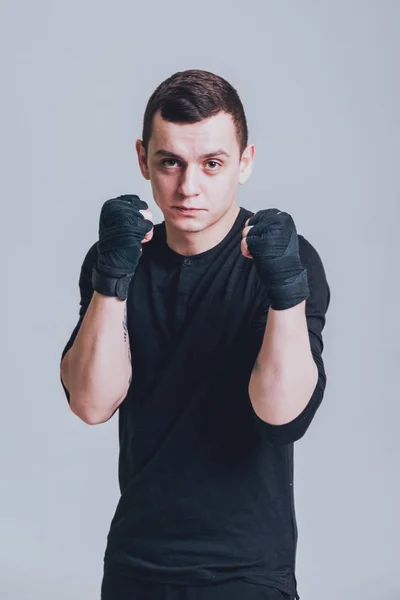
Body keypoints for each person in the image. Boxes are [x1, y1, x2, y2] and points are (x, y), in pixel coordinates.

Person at [60, 69, 330, 600]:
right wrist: (112, 280)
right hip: (136, 563)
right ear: (143, 159)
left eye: (212, 164)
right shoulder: (118, 255)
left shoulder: (285, 260)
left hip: (248, 571)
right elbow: (91, 404)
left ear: (245, 163)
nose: (188, 187)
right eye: (170, 163)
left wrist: (285, 294)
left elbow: (281, 418)